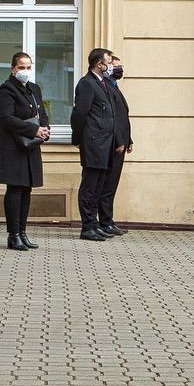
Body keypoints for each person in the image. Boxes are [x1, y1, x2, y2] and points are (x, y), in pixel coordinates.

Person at [0, 52, 51, 252]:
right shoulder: (6, 89)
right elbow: (7, 118)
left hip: (30, 145)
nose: (25, 71)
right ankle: (13, 235)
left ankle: (23, 233)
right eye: (21, 67)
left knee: (27, 188)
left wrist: (44, 130)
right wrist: (34, 130)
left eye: (28, 67)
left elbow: (42, 113)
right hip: (12, 146)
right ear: (13, 69)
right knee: (15, 189)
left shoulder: (34, 88)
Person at [72, 47, 126, 241]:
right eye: (107, 62)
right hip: (94, 143)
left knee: (99, 186)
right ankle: (88, 226)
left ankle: (96, 224)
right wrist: (78, 139)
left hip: (106, 144)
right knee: (90, 186)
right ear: (98, 64)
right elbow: (80, 114)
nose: (110, 65)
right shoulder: (87, 84)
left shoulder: (103, 83)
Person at [98, 53, 133, 235]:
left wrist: (129, 139)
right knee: (107, 185)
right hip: (113, 144)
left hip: (121, 142)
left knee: (112, 185)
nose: (119, 69)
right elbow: (112, 119)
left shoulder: (114, 86)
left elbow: (122, 116)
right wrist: (120, 140)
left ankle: (108, 220)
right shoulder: (106, 87)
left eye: (120, 66)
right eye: (115, 65)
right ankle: (105, 222)